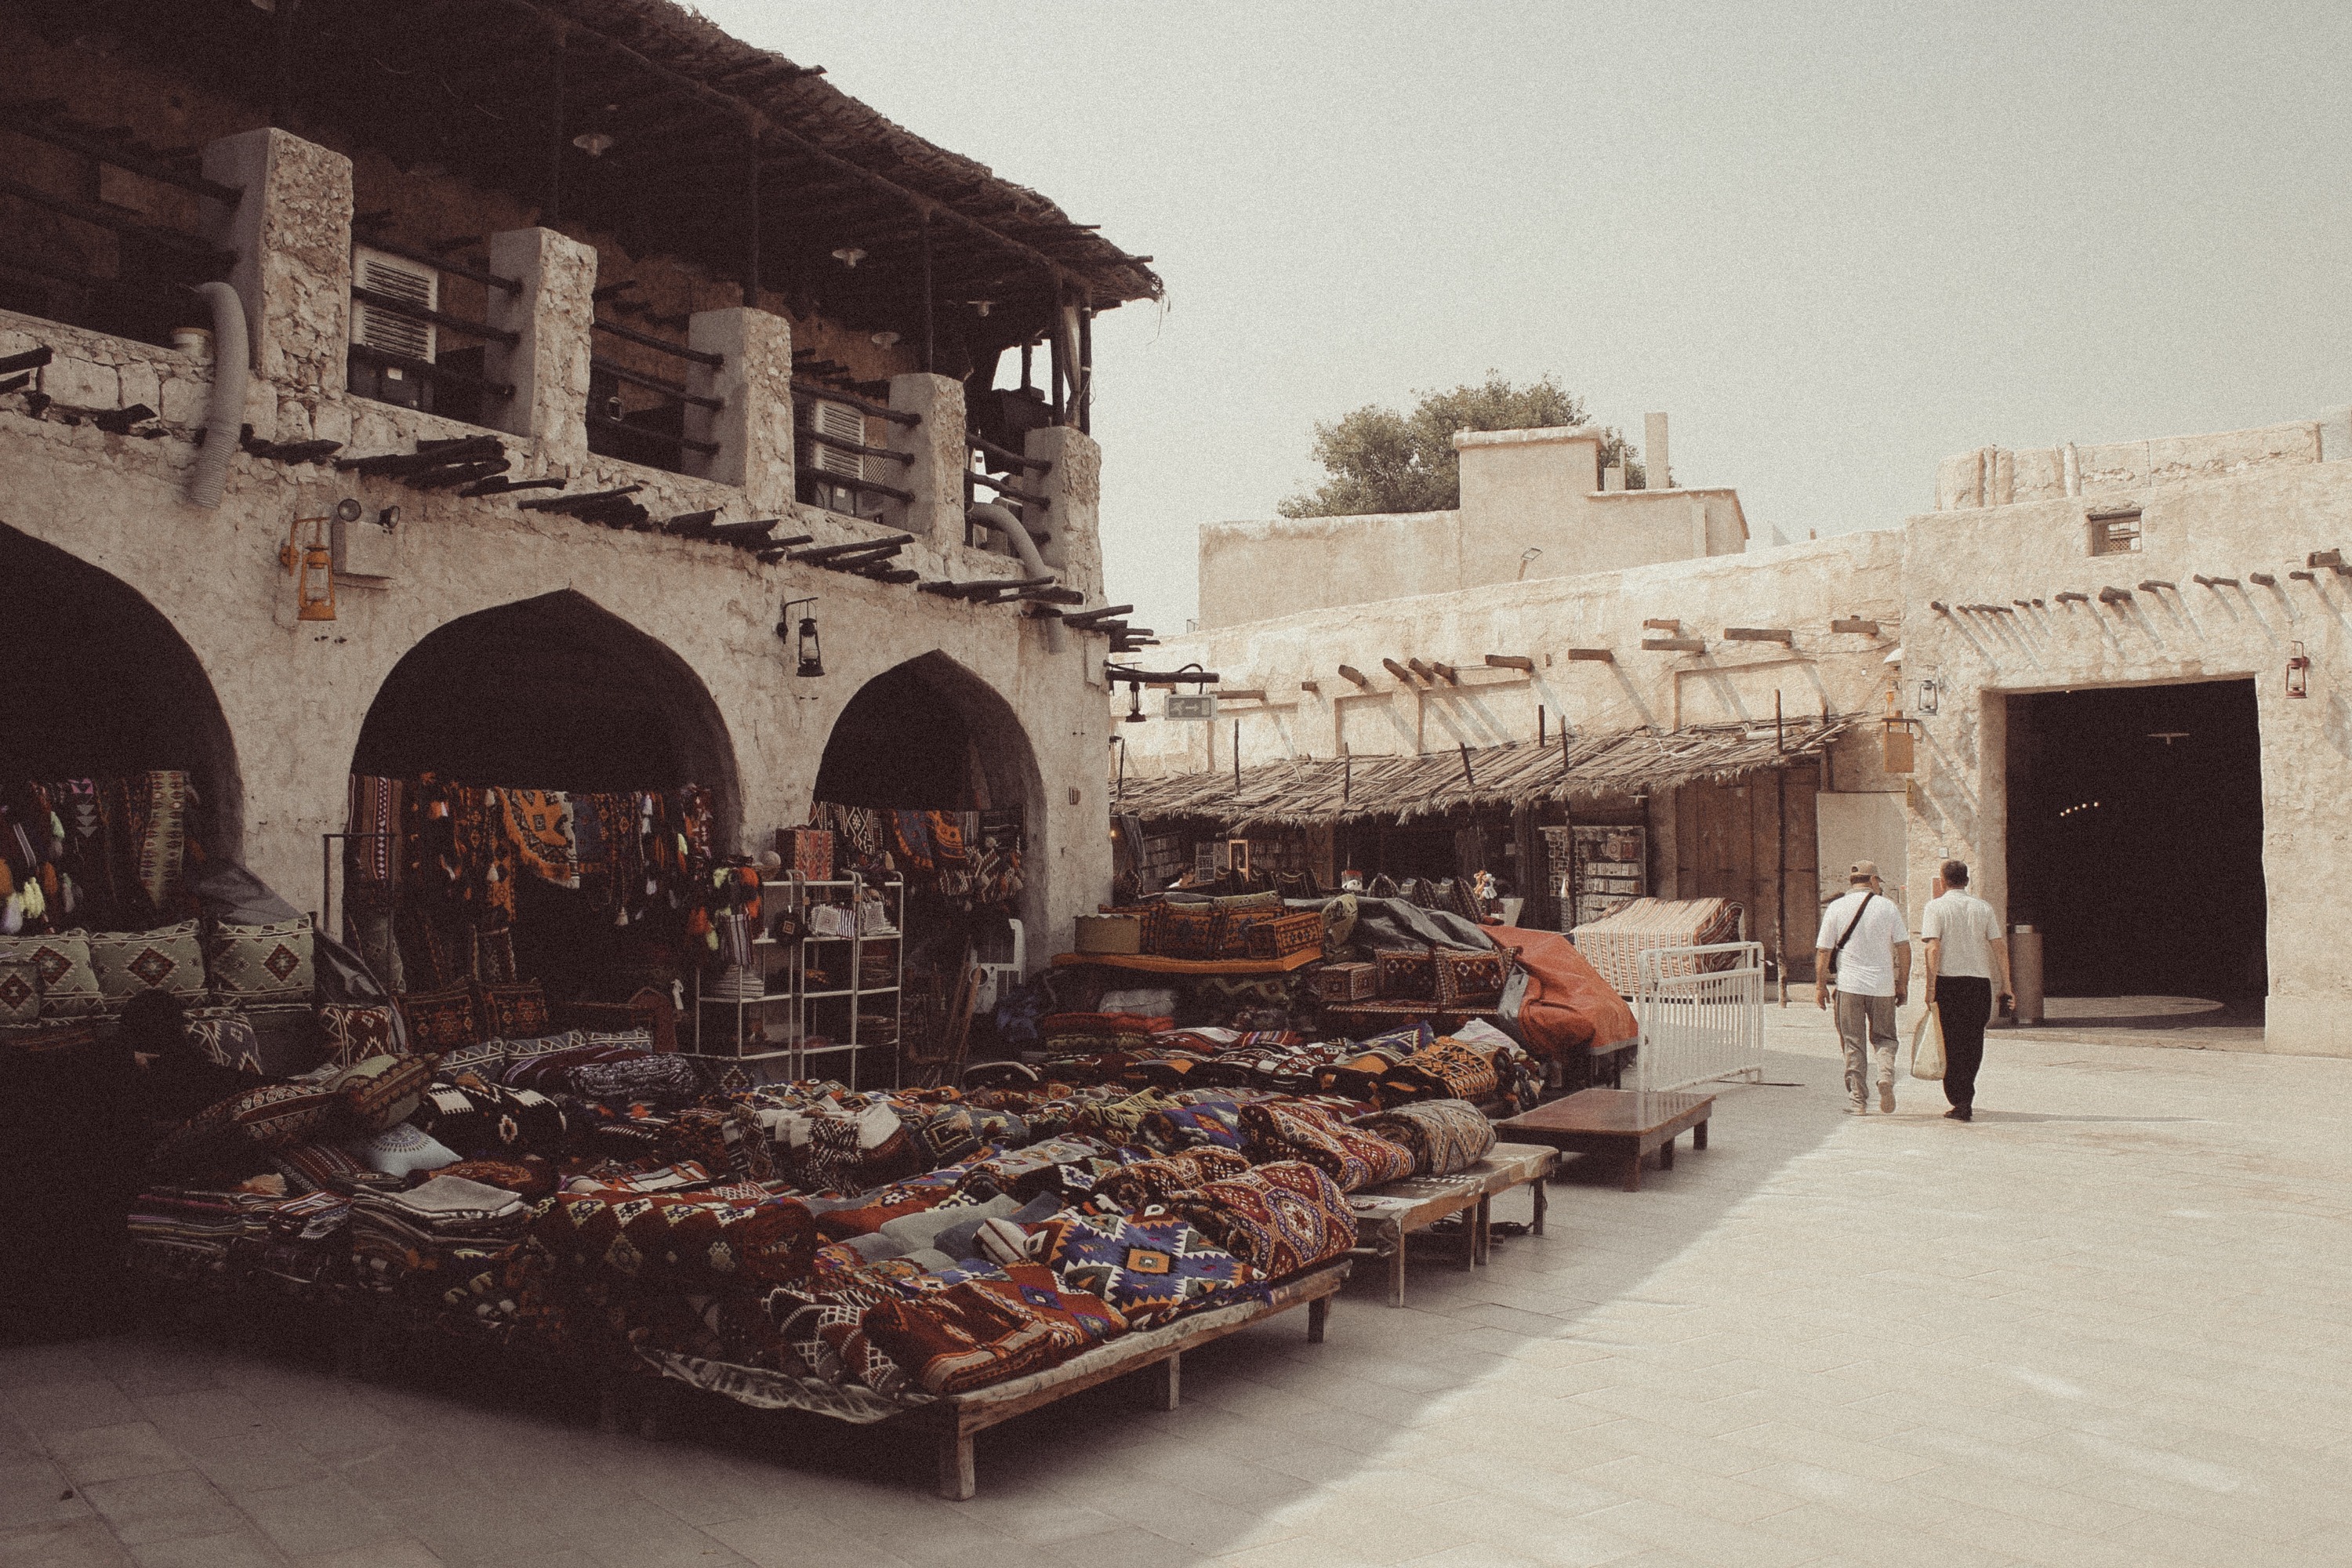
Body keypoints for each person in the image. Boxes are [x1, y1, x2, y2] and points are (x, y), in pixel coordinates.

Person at [1814, 860, 1911, 1113]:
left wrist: (1820, 986)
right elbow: (1904, 947)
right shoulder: (1888, 908)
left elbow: (1823, 951)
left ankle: (1858, 1101)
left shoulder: (1836, 908)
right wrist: (1903, 983)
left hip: (1849, 985)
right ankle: (1886, 1076)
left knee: (1853, 1042)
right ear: (1874, 881)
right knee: (1886, 1038)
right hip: (1882, 986)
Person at [1921, 859, 2012, 1121]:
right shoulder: (1983, 908)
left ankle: (1959, 1098)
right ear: (1967, 880)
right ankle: (1965, 1097)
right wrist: (2006, 985)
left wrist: (1930, 987)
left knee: (1949, 1041)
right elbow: (1999, 946)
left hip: (1949, 983)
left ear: (1942, 879)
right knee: (1973, 1042)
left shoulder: (1935, 908)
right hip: (1978, 984)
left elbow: (1933, 948)